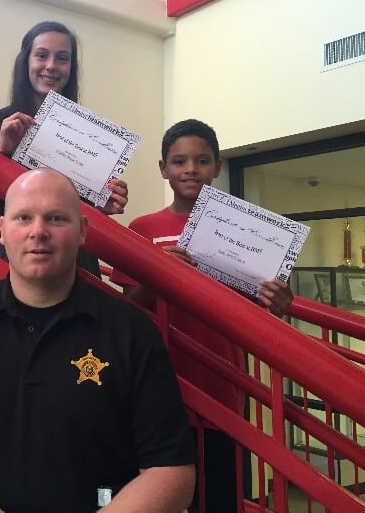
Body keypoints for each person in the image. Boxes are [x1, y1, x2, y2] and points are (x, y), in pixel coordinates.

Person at [0, 169, 196, 512]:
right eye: (24, 218)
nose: (38, 231)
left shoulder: (132, 332)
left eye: (56, 218)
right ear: (2, 230)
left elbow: (172, 471)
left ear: (82, 231)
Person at [110, 119, 293, 512]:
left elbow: (258, 310)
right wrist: (159, 275)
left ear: (218, 166)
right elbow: (127, 311)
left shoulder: (246, 231)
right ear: (163, 168)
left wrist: (279, 303)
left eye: (202, 160)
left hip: (222, 384)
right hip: (157, 383)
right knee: (155, 493)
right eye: (179, 161)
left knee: (220, 494)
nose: (190, 169)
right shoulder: (142, 228)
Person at [0, 21, 128, 278]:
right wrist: (4, 153)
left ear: (71, 68)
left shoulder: (88, 133)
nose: (51, 66)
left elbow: (81, 212)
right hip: (18, 262)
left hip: (76, 262)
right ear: (26, 61)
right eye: (42, 55)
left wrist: (103, 206)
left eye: (62, 58)